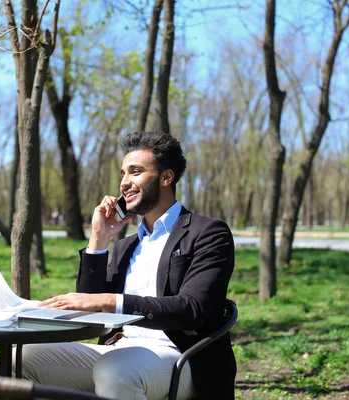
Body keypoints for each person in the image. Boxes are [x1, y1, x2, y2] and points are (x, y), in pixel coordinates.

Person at [15, 131, 236, 400]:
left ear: (166, 177)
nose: (124, 183)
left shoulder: (208, 233)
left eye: (135, 172)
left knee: (115, 370)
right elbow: (89, 303)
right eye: (123, 173)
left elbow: (193, 309)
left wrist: (111, 300)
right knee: (20, 358)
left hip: (182, 356)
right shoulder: (126, 245)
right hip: (120, 350)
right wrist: (99, 238)